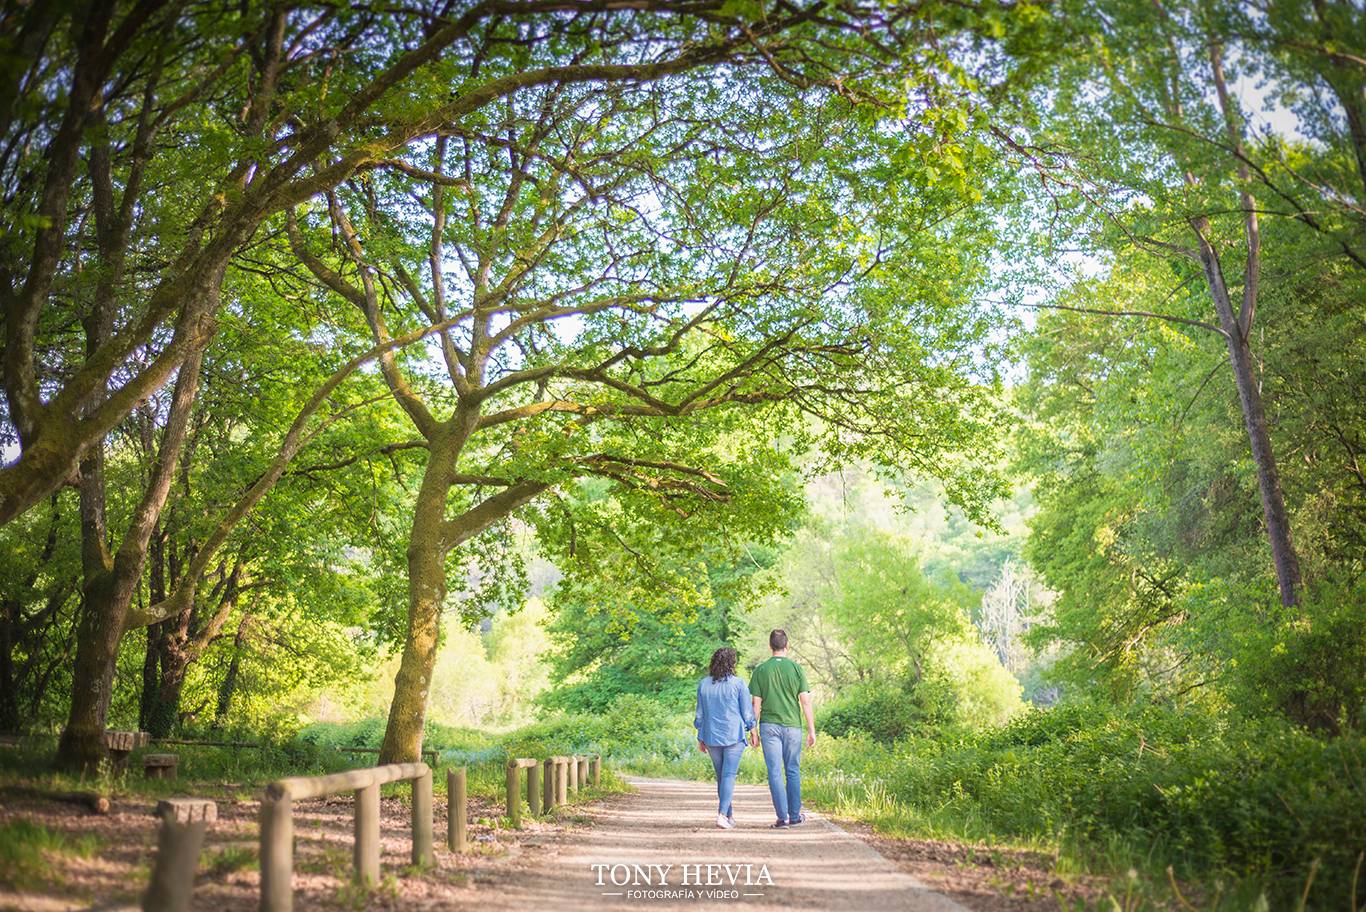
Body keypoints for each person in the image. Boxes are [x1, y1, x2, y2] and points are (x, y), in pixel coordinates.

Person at [748, 628, 815, 828]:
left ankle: (783, 817)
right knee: (792, 770)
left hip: (769, 727)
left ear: (770, 646)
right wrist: (812, 730)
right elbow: (805, 701)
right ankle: (794, 816)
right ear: (787, 645)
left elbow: (755, 704)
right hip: (793, 726)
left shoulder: (760, 670)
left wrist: (753, 730)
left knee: (774, 771)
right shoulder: (796, 669)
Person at [694, 646, 756, 829]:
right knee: (729, 775)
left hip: (711, 736)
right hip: (733, 736)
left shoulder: (703, 684)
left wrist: (700, 737)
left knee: (722, 777)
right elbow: (747, 712)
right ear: (732, 664)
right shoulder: (738, 684)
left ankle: (728, 815)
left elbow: (699, 715)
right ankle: (721, 815)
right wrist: (753, 730)